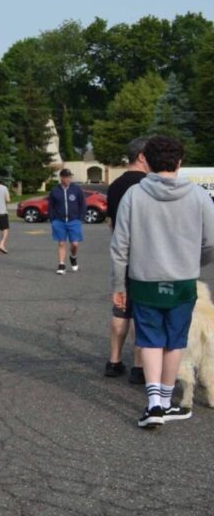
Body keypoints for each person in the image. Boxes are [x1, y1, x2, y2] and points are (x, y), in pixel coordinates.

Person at [110, 135, 214, 428]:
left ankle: (154, 402)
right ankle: (168, 402)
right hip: (183, 280)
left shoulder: (134, 195)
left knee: (151, 340)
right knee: (175, 341)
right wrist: (194, 263)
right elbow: (211, 242)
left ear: (148, 161)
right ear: (180, 162)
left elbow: (120, 245)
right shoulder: (198, 196)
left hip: (144, 279)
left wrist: (118, 285)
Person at [105, 136, 150, 383]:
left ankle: (114, 361)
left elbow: (112, 223)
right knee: (141, 311)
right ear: (142, 156)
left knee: (121, 309)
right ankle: (139, 366)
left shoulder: (115, 185)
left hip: (121, 253)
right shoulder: (148, 185)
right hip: (146, 256)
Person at [48, 169, 86, 275]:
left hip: (74, 221)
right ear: (61, 178)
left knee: (75, 244)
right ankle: (61, 265)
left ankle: (73, 257)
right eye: (65, 177)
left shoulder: (77, 189)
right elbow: (51, 206)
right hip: (59, 221)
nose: (68, 179)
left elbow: (82, 204)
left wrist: (80, 218)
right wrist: (53, 219)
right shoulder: (55, 190)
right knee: (61, 243)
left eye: (69, 177)